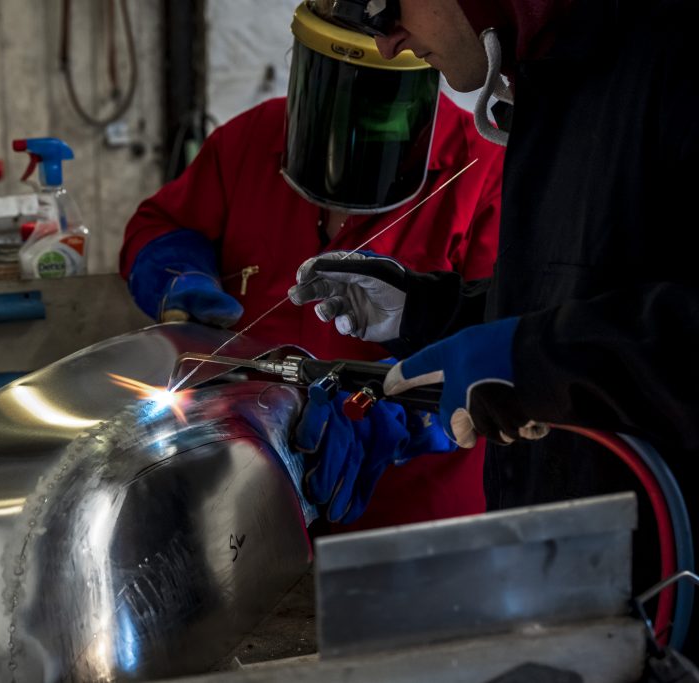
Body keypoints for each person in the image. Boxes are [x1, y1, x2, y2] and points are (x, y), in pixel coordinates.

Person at [289, 0, 699, 655]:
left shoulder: (676, 55)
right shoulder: (556, 69)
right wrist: (427, 313)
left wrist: (531, 362)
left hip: (677, 602)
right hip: (579, 593)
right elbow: (588, 296)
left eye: (387, 4)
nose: (389, 41)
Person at [120, 2, 506, 530]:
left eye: (375, 103)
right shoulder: (251, 138)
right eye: (334, 90)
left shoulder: (483, 170)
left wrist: (397, 426)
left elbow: (503, 341)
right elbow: (159, 224)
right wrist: (176, 271)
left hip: (413, 516)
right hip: (241, 497)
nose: (350, 124)